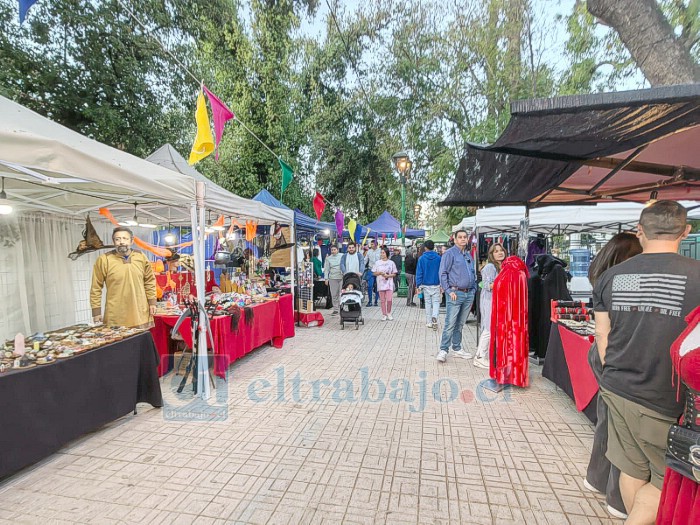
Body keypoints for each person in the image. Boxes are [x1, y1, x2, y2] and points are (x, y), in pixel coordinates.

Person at [594, 201, 700, 524]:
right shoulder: (696, 276)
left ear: (640, 231)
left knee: (631, 468)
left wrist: (614, 375)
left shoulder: (610, 276)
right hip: (667, 401)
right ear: (686, 231)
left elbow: (602, 335)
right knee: (660, 480)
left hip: (616, 388)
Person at [584, 232, 642, 520]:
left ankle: (597, 478)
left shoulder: (603, 276)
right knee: (621, 427)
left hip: (605, 353)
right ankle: (616, 496)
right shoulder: (622, 282)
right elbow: (605, 331)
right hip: (614, 356)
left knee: (608, 419)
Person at [90, 227, 157, 328]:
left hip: (140, 311)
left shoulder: (141, 257)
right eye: (118, 239)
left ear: (131, 241)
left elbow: (149, 281)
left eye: (125, 238)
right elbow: (96, 287)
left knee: (140, 342)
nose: (121, 242)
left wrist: (152, 302)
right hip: (116, 314)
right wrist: (96, 312)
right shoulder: (104, 260)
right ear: (113, 241)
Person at [436, 229, 477, 362]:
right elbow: (443, 273)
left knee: (460, 323)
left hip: (468, 293)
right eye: (460, 237)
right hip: (455, 293)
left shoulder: (468, 255)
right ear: (455, 239)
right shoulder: (449, 254)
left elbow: (472, 272)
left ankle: (457, 348)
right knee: (450, 323)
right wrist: (448, 290)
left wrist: (473, 289)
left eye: (465, 237)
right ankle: (443, 349)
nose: (463, 239)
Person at [474, 243, 506, 369]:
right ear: (491, 254)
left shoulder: (502, 266)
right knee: (488, 327)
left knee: (492, 328)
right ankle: (480, 357)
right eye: (496, 251)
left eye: (501, 250)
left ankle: (482, 354)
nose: (499, 253)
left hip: (498, 301)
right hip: (489, 300)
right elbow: (487, 286)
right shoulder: (490, 267)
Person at [415, 240, 442, 330]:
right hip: (436, 283)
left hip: (425, 284)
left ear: (425, 247)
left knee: (428, 302)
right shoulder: (439, 258)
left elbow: (419, 272)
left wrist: (418, 284)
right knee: (436, 302)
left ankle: (429, 322)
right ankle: (435, 317)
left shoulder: (421, 259)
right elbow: (441, 272)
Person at [372, 246, 398, 321]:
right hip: (380, 283)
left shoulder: (391, 263)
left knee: (389, 299)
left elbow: (394, 273)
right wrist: (379, 273)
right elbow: (374, 273)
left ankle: (389, 312)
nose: (382, 254)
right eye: (381, 253)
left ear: (387, 253)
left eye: (383, 253)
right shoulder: (377, 263)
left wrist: (388, 275)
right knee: (382, 300)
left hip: (389, 284)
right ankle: (384, 314)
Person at [323, 244, 343, 315]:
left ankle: (341, 308)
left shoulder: (342, 256)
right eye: (332, 250)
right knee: (334, 294)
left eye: (335, 250)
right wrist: (326, 279)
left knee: (341, 294)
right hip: (332, 278)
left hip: (341, 277)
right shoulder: (328, 258)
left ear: (337, 250)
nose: (333, 251)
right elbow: (326, 269)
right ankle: (336, 309)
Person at [364, 240, 381, 307]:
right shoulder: (369, 251)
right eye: (371, 244)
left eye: (373, 244)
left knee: (377, 286)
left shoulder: (380, 251)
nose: (371, 245)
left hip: (378, 271)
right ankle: (370, 301)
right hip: (370, 270)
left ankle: (376, 301)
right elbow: (365, 260)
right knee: (370, 286)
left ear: (376, 244)